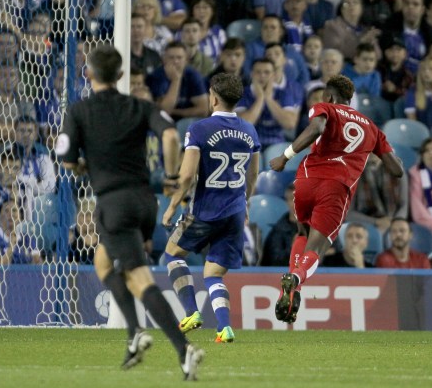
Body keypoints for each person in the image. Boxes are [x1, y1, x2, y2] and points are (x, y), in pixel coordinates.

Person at [58, 46, 204, 380]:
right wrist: (170, 176)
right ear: (121, 76)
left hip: (114, 203)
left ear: (89, 74)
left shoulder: (79, 111)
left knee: (140, 279)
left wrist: (81, 166)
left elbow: (66, 158)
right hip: (144, 202)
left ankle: (184, 349)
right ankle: (135, 333)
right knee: (104, 263)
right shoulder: (140, 106)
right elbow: (170, 136)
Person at [268, 74, 403, 323]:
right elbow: (397, 170)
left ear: (329, 96)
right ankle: (296, 279)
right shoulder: (371, 127)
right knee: (317, 247)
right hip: (337, 188)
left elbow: (317, 127)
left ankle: (292, 287)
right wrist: (386, 154)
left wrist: (285, 156)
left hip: (307, 181)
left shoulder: (324, 108)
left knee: (302, 233)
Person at [161, 73, 261, 344]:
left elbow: (187, 175)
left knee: (173, 254)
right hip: (235, 211)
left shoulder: (199, 128)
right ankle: (224, 328)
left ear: (213, 97)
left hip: (206, 210)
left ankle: (192, 312)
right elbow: (253, 176)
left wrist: (171, 207)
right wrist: (246, 203)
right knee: (214, 273)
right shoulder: (249, 130)